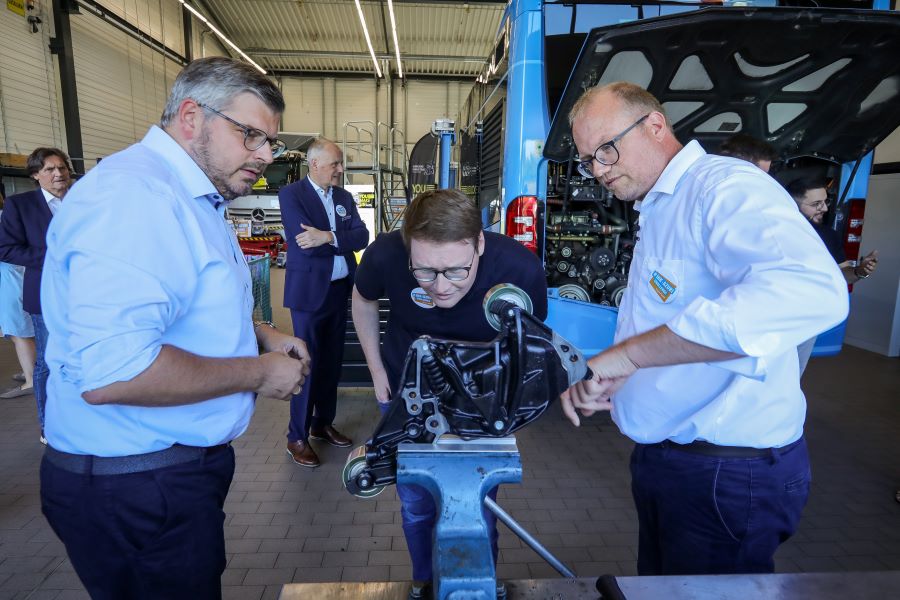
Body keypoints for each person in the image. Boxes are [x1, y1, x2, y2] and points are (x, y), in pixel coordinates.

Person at [39, 56, 310, 600]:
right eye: (251, 134)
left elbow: (186, 306)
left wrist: (260, 332)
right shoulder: (135, 199)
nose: (264, 155)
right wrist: (259, 373)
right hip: (136, 484)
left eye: (271, 143)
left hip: (164, 476)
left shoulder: (191, 198)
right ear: (192, 115)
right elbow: (117, 372)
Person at [562, 82, 848, 576]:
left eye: (607, 150)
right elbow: (669, 320)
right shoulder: (660, 206)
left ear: (655, 126)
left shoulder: (722, 187)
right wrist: (622, 374)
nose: (600, 171)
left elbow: (809, 289)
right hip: (674, 463)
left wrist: (628, 357)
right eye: (589, 160)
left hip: (726, 474)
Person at [352, 189, 547, 599]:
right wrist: (375, 370)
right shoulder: (385, 255)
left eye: (456, 271)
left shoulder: (519, 268)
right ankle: (425, 584)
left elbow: (528, 341)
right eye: (424, 272)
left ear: (479, 243)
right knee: (417, 506)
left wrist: (508, 401)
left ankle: (475, 587)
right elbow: (363, 299)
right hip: (407, 394)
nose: (440, 287)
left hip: (480, 402)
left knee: (474, 509)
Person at [279, 137, 369, 468]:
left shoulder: (344, 197)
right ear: (314, 164)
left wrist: (329, 235)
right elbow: (305, 244)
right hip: (309, 294)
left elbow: (362, 236)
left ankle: (322, 423)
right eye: (335, 164)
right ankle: (296, 436)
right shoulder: (292, 195)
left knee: (332, 362)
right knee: (307, 363)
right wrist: (334, 241)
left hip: (339, 290)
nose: (340, 170)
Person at [0, 149, 73, 425]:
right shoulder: (20, 205)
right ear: (35, 175)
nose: (58, 174)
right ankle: (48, 423)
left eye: (62, 168)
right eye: (49, 169)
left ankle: (82, 418)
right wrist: (56, 259)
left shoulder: (83, 200)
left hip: (88, 293)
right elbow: (6, 249)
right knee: (47, 360)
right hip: (45, 294)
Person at [785, 176, 878, 372]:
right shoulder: (774, 233)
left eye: (825, 202)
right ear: (792, 203)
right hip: (773, 316)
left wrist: (860, 272)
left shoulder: (828, 235)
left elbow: (842, 273)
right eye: (816, 204)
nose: (825, 209)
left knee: (794, 375)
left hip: (806, 321)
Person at [0, 184, 36, 399]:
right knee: (28, 329)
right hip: (18, 275)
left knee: (19, 332)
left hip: (10, 278)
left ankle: (32, 379)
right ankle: (31, 370)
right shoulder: (11, 215)